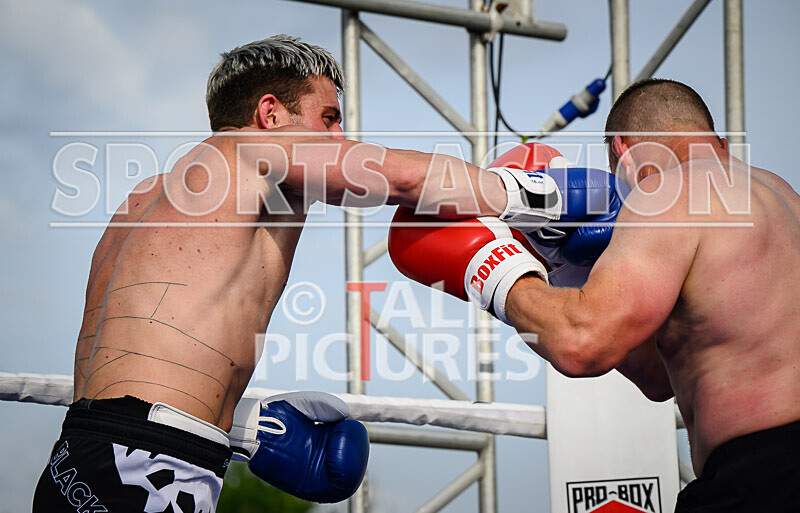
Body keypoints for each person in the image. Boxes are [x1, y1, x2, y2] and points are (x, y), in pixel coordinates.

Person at [32, 33, 563, 512]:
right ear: (270, 113)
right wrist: (536, 196)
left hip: (83, 457)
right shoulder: (246, 153)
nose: (339, 138)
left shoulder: (144, 200)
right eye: (328, 118)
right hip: (144, 466)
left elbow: (113, 375)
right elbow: (399, 178)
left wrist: (238, 429)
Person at [390, 79, 800, 512]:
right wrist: (571, 273)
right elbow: (663, 378)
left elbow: (579, 343)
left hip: (764, 475)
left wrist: (493, 267)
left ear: (622, 151)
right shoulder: (783, 198)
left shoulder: (668, 190)